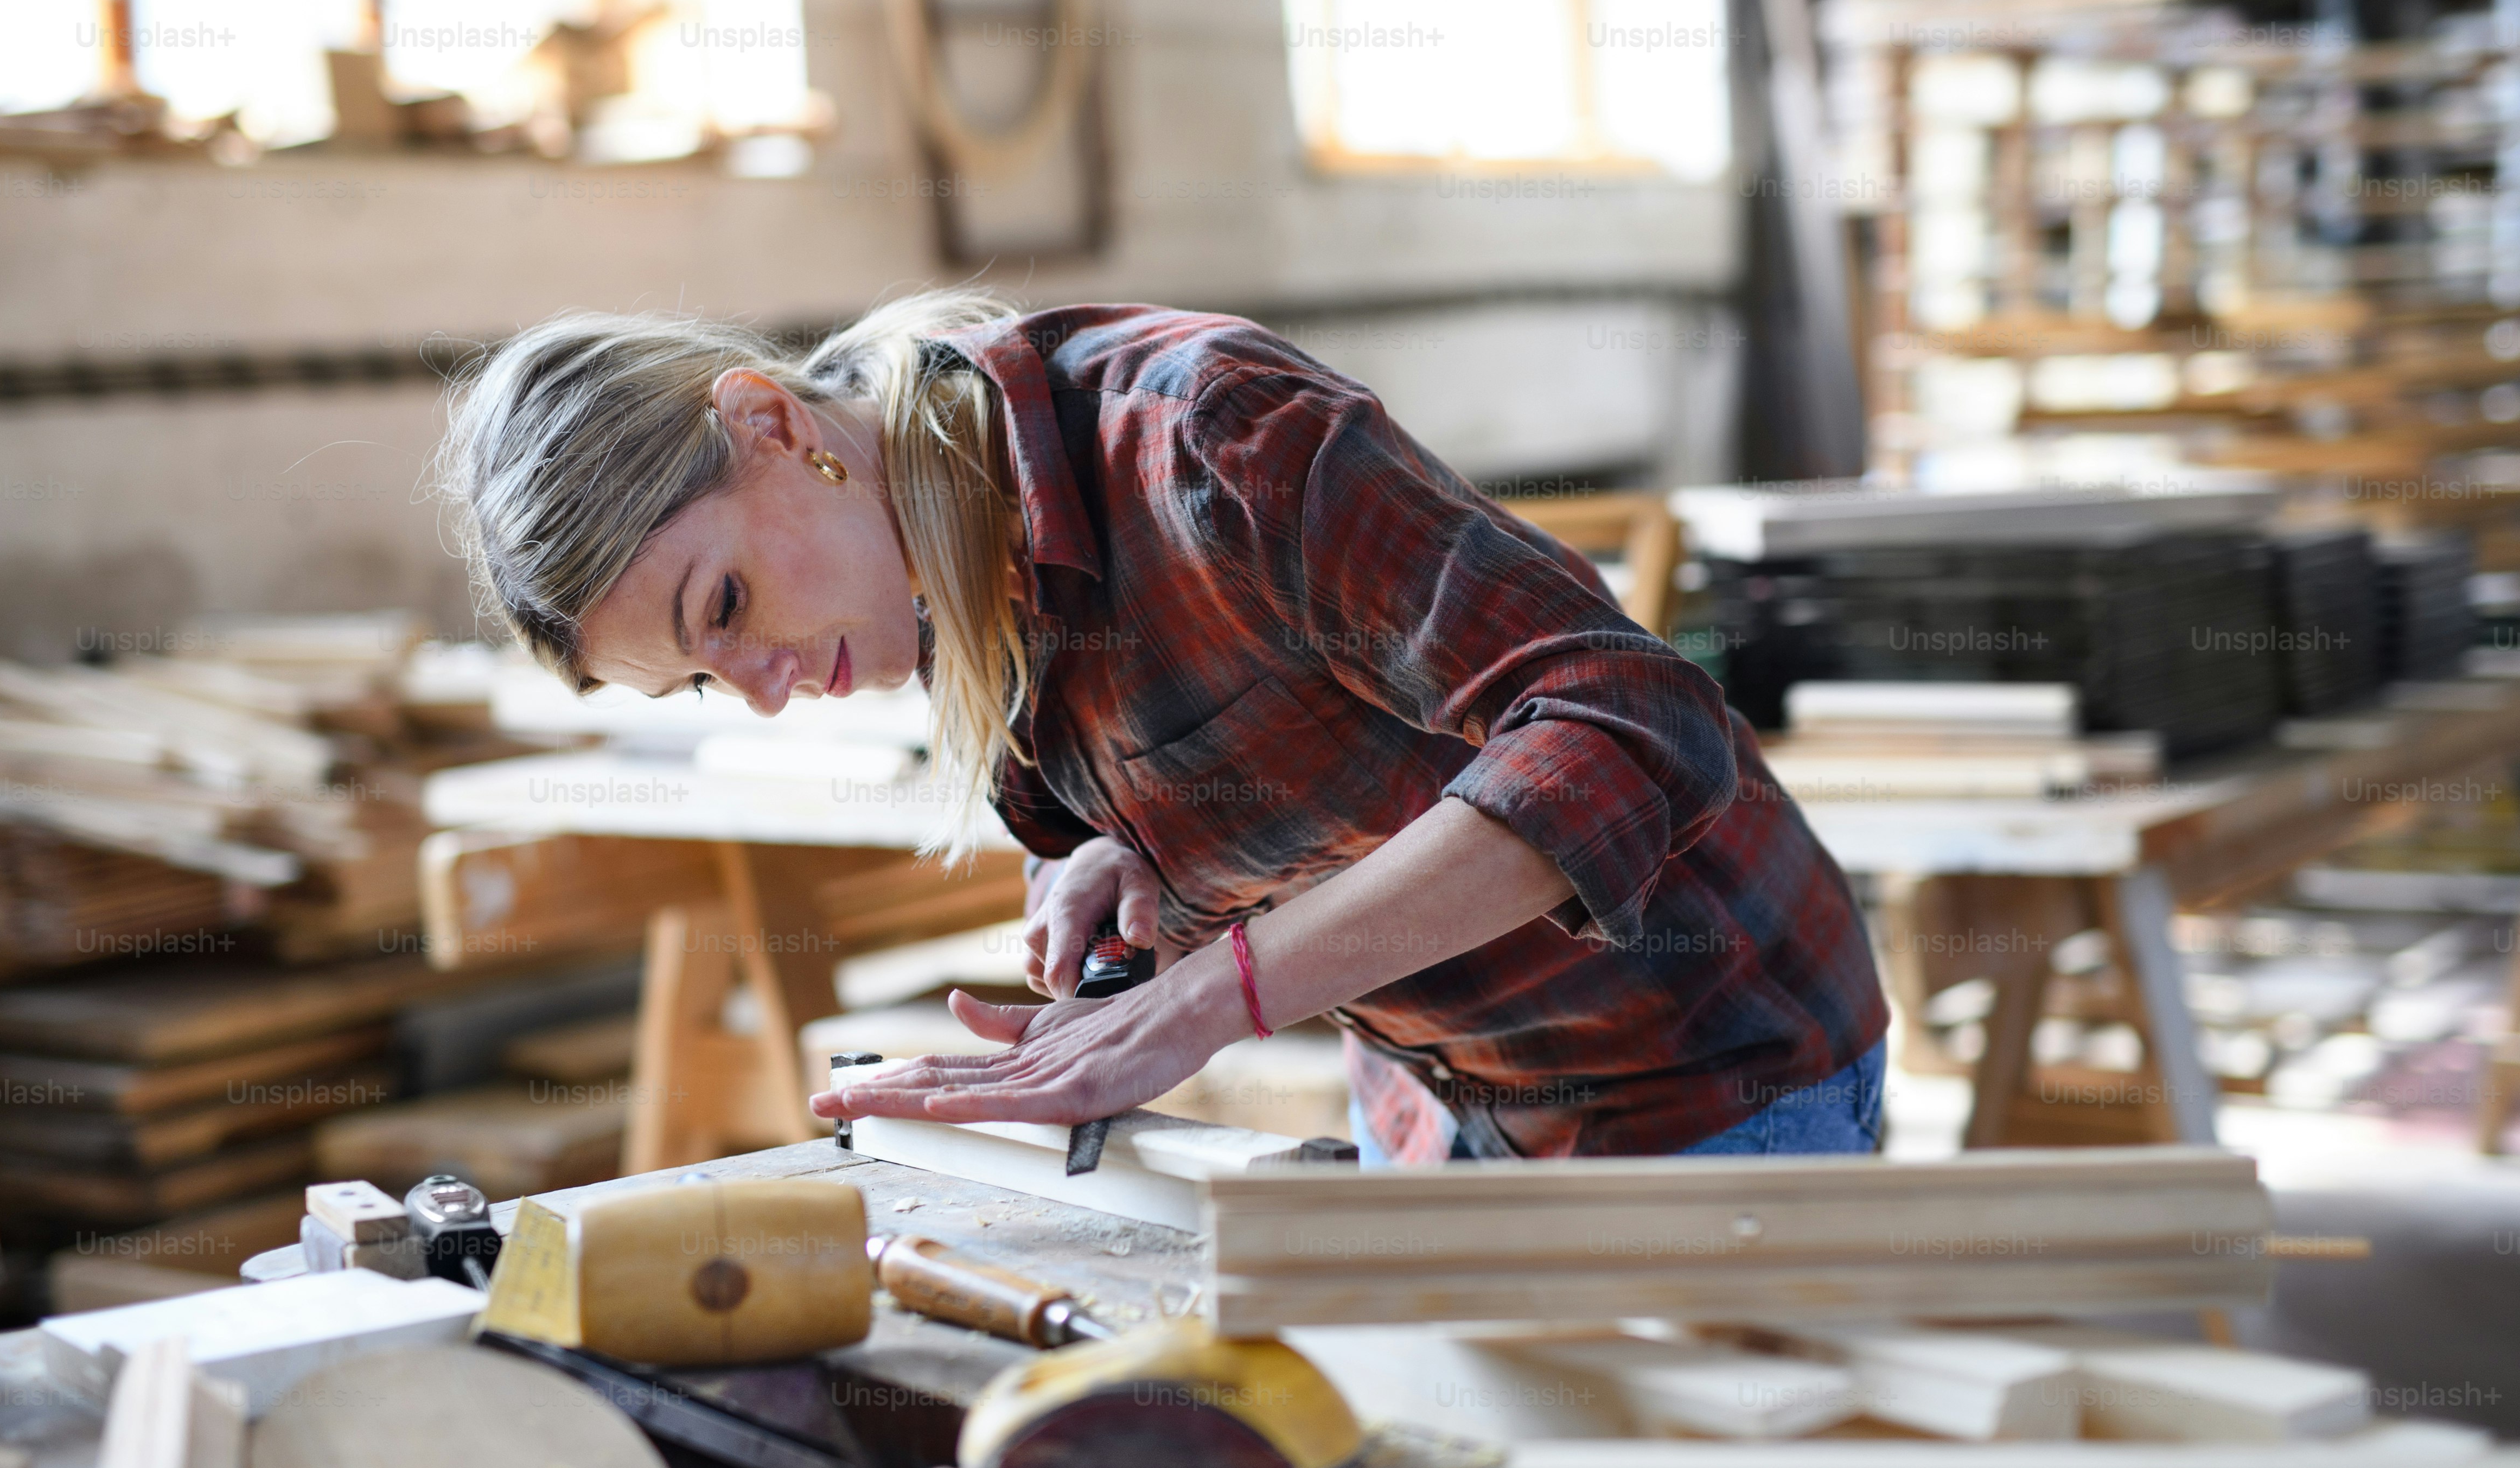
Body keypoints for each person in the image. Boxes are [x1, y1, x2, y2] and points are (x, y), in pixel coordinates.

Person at [436, 295, 1886, 1161]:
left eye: (726, 605)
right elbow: (1252, 793)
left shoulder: (1202, 433)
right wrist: (1137, 875)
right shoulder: (931, 563)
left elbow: (1630, 730)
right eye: (704, 682)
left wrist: (1206, 1003)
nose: (759, 688)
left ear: (766, 422)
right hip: (1440, 1095)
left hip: (1703, 1068)